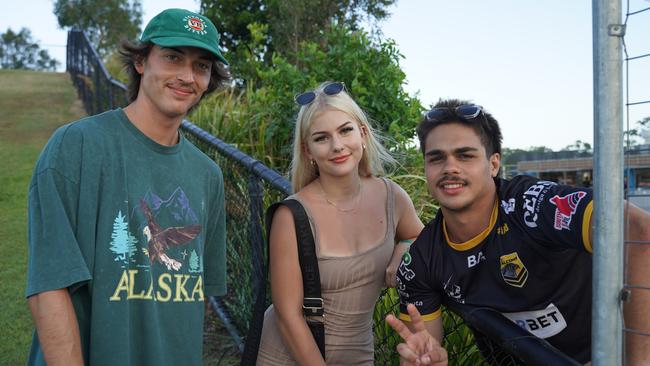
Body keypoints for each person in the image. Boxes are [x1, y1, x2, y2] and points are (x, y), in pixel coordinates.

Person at [25, 8, 230, 365]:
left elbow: (192, 300)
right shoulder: (76, 147)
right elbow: (49, 287)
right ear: (140, 61)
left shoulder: (207, 175)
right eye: (172, 57)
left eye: (201, 66)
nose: (187, 75)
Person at [391, 99, 650, 365]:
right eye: (436, 158)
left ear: (493, 165)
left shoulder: (531, 205)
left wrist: (634, 361)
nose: (450, 168)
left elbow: (637, 229)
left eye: (465, 155)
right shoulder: (422, 259)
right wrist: (426, 361)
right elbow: (422, 349)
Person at [256, 81, 424, 365]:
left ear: (362, 133)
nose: (337, 146)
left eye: (345, 130)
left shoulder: (391, 196)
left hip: (357, 354)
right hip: (288, 356)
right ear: (307, 150)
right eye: (321, 138)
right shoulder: (292, 215)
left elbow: (421, 236)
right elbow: (288, 316)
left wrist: (404, 246)